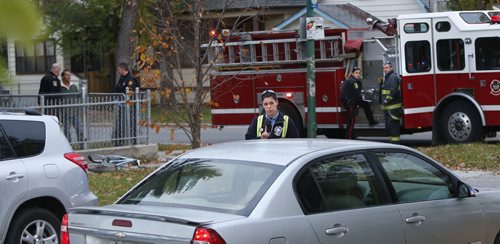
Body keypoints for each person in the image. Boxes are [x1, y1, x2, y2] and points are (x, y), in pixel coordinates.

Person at [341, 67, 378, 139]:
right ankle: (349, 137)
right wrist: (360, 101)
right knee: (351, 120)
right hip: (351, 103)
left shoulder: (351, 80)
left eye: (359, 73)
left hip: (351, 101)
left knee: (366, 104)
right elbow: (356, 94)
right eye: (356, 73)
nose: (358, 74)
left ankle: (371, 121)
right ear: (352, 73)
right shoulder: (354, 82)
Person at [114, 63, 140, 145]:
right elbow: (118, 90)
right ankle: (119, 141)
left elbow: (131, 93)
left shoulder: (130, 79)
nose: (118, 71)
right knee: (120, 123)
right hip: (122, 106)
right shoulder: (121, 79)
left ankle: (133, 140)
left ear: (123, 69)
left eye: (119, 69)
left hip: (130, 107)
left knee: (131, 123)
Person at [381, 62, 402, 143]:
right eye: (384, 68)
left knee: (393, 127)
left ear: (391, 68)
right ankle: (392, 143)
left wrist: (387, 99)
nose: (385, 69)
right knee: (389, 127)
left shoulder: (392, 77)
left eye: (387, 67)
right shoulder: (388, 77)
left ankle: (396, 144)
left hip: (393, 108)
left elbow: (393, 90)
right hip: (389, 108)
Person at [60, 70, 82, 145]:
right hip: (65, 113)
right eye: (67, 75)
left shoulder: (74, 86)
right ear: (63, 76)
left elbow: (79, 97)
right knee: (66, 131)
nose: (69, 77)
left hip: (75, 113)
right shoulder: (60, 87)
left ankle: (82, 145)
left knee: (79, 130)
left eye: (70, 75)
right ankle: (68, 146)